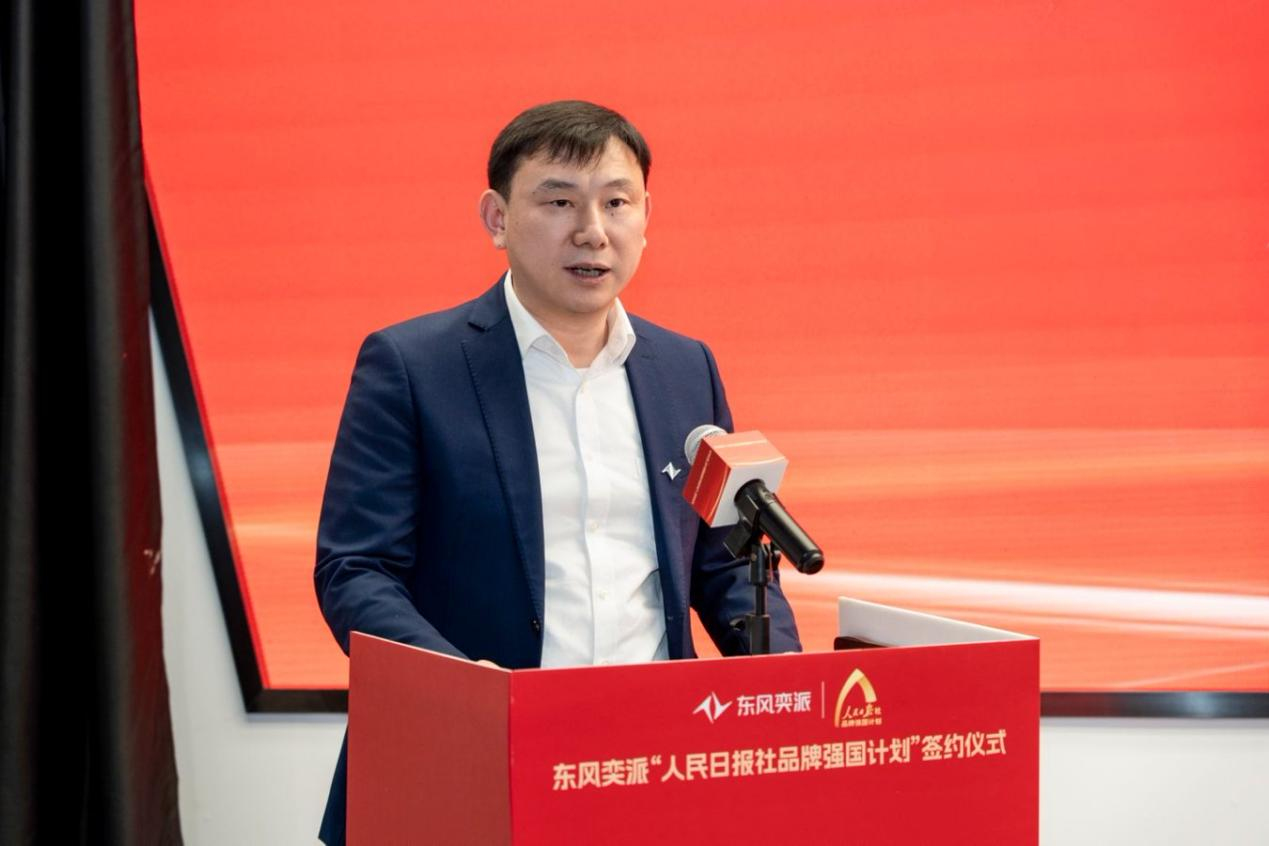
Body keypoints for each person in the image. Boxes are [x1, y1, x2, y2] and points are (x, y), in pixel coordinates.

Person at [313, 100, 800, 845]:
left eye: (616, 202)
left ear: (646, 217)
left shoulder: (684, 368)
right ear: (497, 218)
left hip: (651, 766)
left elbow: (725, 562)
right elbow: (355, 569)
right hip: (466, 761)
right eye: (559, 202)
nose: (592, 231)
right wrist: (461, 691)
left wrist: (785, 692)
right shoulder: (412, 366)